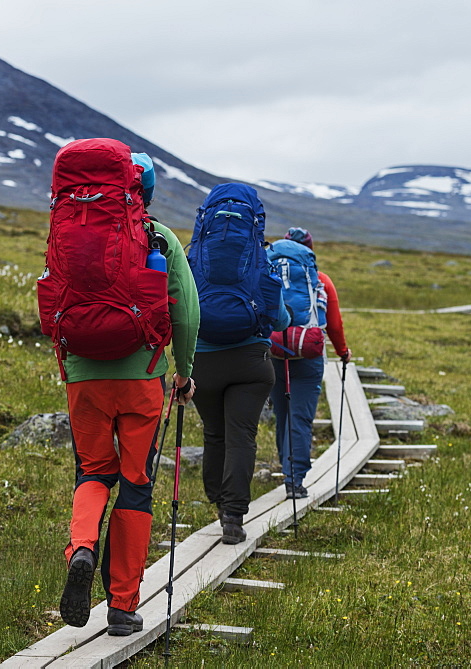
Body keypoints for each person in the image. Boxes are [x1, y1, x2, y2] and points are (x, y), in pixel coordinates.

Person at [56, 148, 200, 636]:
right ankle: (122, 607)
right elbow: (186, 312)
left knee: (93, 473)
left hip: (83, 376)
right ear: (149, 190)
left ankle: (81, 549)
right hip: (143, 377)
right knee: (137, 487)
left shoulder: (69, 227)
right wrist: (184, 370)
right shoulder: (159, 237)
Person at [189, 183, 291, 545]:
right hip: (251, 362)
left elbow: (180, 309)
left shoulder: (193, 259)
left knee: (215, 433)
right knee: (242, 436)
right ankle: (233, 515)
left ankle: (219, 500)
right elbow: (279, 319)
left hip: (203, 361)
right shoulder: (261, 262)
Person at [270, 227, 351, 499]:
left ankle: (286, 467)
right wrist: (343, 352)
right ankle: (295, 479)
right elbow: (335, 324)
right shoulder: (321, 280)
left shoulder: (269, 273)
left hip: (275, 351)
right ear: (310, 250)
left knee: (283, 414)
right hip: (309, 355)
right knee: (300, 417)